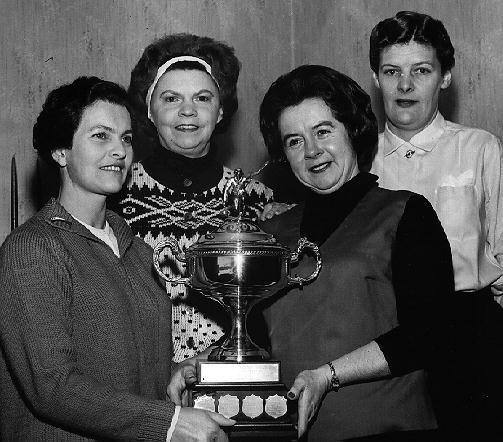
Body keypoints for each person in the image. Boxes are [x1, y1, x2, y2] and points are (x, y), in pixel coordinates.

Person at [0, 76, 234, 441]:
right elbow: (51, 385)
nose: (120, 151)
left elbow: (124, 368)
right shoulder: (34, 247)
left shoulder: (137, 251)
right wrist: (170, 423)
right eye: (100, 136)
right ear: (60, 152)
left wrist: (174, 372)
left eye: (126, 138)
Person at [258, 65, 456, 441]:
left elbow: (431, 333)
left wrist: (327, 376)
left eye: (323, 131)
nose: (312, 150)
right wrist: (200, 368)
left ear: (351, 130)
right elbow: (252, 338)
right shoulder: (270, 233)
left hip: (389, 430)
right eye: (294, 141)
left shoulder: (405, 213)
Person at [369, 11, 503, 438]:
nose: (404, 85)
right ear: (376, 78)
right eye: (392, 72)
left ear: (444, 78)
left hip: (469, 332)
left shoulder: (479, 148)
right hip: (384, 335)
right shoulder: (356, 159)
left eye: (421, 71)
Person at [109, 34, 274, 363]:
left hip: (230, 378)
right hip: (142, 385)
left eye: (202, 98)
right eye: (171, 99)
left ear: (221, 109)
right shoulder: (115, 192)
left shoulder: (257, 199)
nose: (188, 111)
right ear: (149, 110)